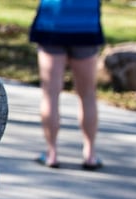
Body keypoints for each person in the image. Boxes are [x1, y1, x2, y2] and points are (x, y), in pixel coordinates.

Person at [28, 0, 105, 170]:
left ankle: (52, 153)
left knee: (51, 94)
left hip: (52, 22)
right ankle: (90, 154)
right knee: (88, 94)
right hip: (86, 24)